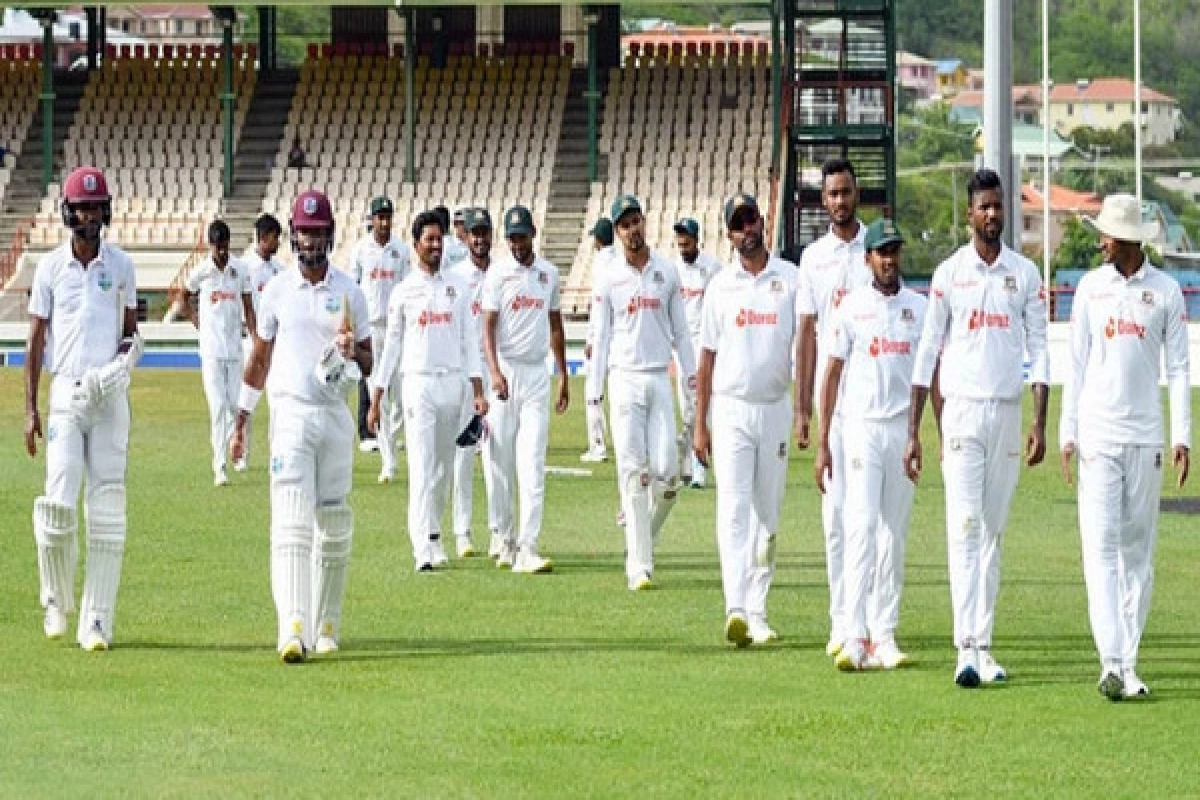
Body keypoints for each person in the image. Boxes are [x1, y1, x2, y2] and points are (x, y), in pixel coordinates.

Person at [907, 168, 1049, 688]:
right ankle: (963, 647)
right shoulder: (949, 275)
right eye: (982, 207)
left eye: (997, 206)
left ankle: (984, 645)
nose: (991, 214)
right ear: (968, 214)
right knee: (963, 529)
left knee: (992, 533)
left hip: (1006, 413)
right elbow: (927, 351)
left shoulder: (1024, 274)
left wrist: (1039, 419)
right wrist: (914, 429)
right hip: (963, 413)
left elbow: (1039, 349)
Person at [1059, 193, 1191, 701]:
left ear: (1130, 240)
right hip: (1098, 436)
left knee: (1138, 554)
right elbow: (1075, 363)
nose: (1101, 240)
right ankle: (1110, 661)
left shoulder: (1166, 293)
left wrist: (1182, 436)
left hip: (1146, 438)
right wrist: (1067, 433)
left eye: (1108, 233)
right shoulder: (1090, 289)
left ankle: (1129, 662)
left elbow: (1179, 369)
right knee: (1101, 549)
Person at [232, 189, 372, 663]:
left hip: (334, 413)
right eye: (304, 232)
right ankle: (292, 625)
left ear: (330, 235)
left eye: (318, 232)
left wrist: (354, 351)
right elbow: (260, 357)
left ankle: (326, 623)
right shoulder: (275, 291)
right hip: (291, 413)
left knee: (332, 522)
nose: (310, 240)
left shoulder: (350, 292)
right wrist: (243, 416)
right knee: (291, 520)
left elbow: (371, 360)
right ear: (294, 235)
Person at [24, 165, 142, 651]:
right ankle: (55, 599)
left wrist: (123, 365)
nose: (89, 215)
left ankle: (97, 620)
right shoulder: (50, 267)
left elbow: (132, 333)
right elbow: (34, 341)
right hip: (66, 395)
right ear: (68, 212)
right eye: (82, 207)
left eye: (96, 207)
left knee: (107, 508)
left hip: (109, 398)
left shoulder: (121, 266)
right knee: (58, 499)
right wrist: (30, 409)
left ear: (106, 211)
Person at [814, 218, 927, 670]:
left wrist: (921, 434)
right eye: (882, 253)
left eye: (894, 251)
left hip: (900, 429)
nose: (889, 260)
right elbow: (833, 372)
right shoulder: (851, 307)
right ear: (868, 259)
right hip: (860, 429)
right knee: (859, 528)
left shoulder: (917, 308)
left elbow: (926, 377)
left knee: (893, 535)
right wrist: (824, 440)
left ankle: (884, 635)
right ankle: (854, 634)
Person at [693, 193, 796, 646]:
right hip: (731, 408)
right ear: (730, 234)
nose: (746, 230)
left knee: (767, 517)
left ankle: (758, 608)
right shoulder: (720, 286)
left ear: (762, 221)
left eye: (750, 220)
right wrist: (700, 423)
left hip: (774, 407)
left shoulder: (790, 280)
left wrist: (807, 411)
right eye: (737, 225)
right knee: (732, 509)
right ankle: (735, 606)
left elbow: (805, 346)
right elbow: (706, 357)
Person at [587, 195, 695, 591]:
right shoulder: (609, 273)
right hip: (624, 378)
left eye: (636, 221)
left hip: (657, 378)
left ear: (645, 222)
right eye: (624, 225)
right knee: (634, 473)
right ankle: (639, 565)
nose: (632, 230)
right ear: (616, 232)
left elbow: (681, 331)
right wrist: (593, 397)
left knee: (668, 476)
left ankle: (643, 537)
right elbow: (599, 335)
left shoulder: (665, 270)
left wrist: (692, 378)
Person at [370, 210, 487, 572]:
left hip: (452, 383)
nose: (435, 246)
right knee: (421, 467)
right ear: (416, 244)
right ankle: (422, 545)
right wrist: (376, 395)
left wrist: (477, 388)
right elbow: (390, 346)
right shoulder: (404, 291)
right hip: (417, 382)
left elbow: (471, 339)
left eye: (439, 239)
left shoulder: (458, 286)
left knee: (443, 469)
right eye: (429, 240)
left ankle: (435, 535)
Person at [794, 158, 870, 659]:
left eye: (846, 192)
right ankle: (840, 619)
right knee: (836, 518)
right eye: (832, 194)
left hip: (872, 400)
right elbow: (805, 333)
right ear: (823, 201)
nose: (839, 201)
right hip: (831, 404)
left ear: (856, 194)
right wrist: (802, 408)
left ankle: (871, 621)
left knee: (872, 519)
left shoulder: (876, 248)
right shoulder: (814, 258)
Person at [481, 205, 569, 573]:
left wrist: (563, 374)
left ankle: (528, 546)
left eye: (522, 236)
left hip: (535, 376)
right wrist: (495, 372)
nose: (517, 244)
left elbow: (555, 326)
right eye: (512, 238)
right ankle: (503, 533)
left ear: (533, 234)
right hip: (505, 372)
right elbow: (487, 327)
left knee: (531, 461)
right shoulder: (498, 275)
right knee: (498, 458)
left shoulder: (548, 274)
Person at [184, 220, 255, 486]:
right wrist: (196, 321)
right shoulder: (202, 271)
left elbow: (248, 306)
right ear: (211, 246)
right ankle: (219, 466)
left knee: (237, 407)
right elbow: (182, 297)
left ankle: (238, 451)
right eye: (218, 249)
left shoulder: (240, 270)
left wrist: (256, 336)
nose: (222, 254)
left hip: (235, 348)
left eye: (226, 248)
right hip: (211, 350)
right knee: (218, 406)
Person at [351, 196, 410, 481]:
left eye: (388, 217)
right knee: (379, 392)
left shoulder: (401, 250)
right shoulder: (361, 250)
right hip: (371, 329)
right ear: (372, 219)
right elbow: (351, 290)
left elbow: (410, 288)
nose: (384, 222)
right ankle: (388, 460)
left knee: (401, 395)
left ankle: (394, 439)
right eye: (380, 217)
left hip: (397, 329)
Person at [448, 207, 495, 558]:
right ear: (466, 236)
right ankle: (462, 531)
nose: (478, 239)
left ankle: (498, 530)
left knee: (497, 454)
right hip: (466, 375)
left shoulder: (504, 274)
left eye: (484, 232)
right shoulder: (455, 278)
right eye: (473, 233)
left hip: (497, 373)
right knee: (463, 455)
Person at [672, 217, 722, 488]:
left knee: (704, 404)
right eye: (680, 242)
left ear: (696, 239)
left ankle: (700, 468)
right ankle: (688, 465)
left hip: (705, 345)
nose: (683, 246)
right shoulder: (672, 270)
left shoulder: (712, 268)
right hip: (682, 347)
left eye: (687, 241)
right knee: (688, 409)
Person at [238, 213, 285, 470]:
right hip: (252, 342)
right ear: (263, 238)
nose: (278, 243)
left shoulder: (280, 270)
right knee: (248, 399)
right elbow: (245, 306)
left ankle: (276, 453)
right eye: (275, 238)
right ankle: (241, 451)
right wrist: (254, 335)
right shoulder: (245, 267)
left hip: (276, 346)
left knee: (278, 400)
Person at [581, 217, 616, 464]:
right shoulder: (620, 260)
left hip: (604, 336)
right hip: (621, 337)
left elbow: (598, 305)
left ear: (598, 239)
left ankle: (597, 445)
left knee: (593, 393)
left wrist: (591, 337)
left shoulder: (601, 263)